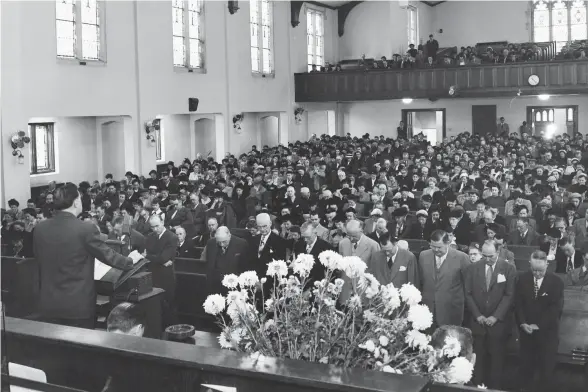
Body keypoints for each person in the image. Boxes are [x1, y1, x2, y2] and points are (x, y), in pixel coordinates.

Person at [33, 183, 139, 329]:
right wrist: (131, 260)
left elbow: (38, 261)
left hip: (48, 303)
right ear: (76, 202)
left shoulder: (40, 228)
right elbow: (108, 255)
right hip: (77, 305)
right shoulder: (85, 228)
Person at [464, 241, 516, 389]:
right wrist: (477, 315)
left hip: (498, 324)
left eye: (491, 256)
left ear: (498, 252)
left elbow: (509, 295)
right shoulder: (472, 268)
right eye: (485, 256)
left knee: (497, 362)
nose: (487, 259)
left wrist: (496, 316)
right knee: (478, 360)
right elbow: (467, 294)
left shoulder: (508, 269)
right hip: (477, 323)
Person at [515, 250, 564, 392]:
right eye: (534, 270)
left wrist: (538, 325)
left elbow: (556, 309)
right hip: (526, 334)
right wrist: (523, 322)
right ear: (530, 265)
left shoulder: (556, 282)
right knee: (525, 371)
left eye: (540, 271)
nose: (537, 274)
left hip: (547, 334)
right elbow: (518, 304)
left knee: (546, 373)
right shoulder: (522, 279)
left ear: (547, 265)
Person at [418, 229, 470, 328]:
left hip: (451, 311)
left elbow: (468, 286)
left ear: (448, 243)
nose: (436, 250)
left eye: (439, 247)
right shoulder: (423, 256)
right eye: (433, 246)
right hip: (428, 311)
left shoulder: (462, 258)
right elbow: (421, 281)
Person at [145, 214, 178, 327]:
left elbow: (163, 257)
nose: (155, 229)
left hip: (166, 278)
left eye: (157, 226)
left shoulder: (172, 237)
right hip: (153, 276)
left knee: (167, 307)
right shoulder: (150, 236)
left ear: (163, 222)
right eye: (152, 227)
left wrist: (149, 257)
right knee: (154, 308)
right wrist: (158, 259)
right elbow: (160, 258)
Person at [338, 219, 380, 302]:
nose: (350, 238)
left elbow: (377, 270)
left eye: (353, 236)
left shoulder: (373, 245)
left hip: (363, 290)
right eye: (348, 235)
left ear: (361, 231)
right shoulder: (342, 243)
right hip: (346, 289)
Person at [202, 226, 249, 295]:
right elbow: (209, 265)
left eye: (224, 242)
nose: (221, 245)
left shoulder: (241, 244)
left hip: (233, 286)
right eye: (219, 242)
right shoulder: (211, 243)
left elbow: (244, 267)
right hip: (215, 285)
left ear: (229, 236)